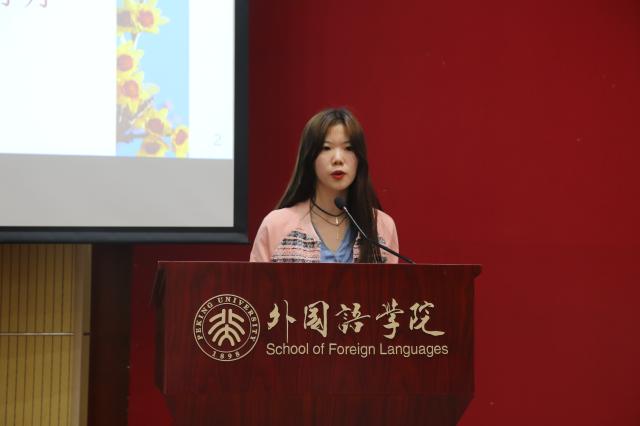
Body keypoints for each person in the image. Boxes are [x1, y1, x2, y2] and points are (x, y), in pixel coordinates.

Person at [250, 108, 398, 263]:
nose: (338, 159)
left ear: (359, 159)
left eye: (348, 148)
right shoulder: (276, 225)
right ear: (310, 157)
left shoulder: (381, 226)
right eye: (326, 148)